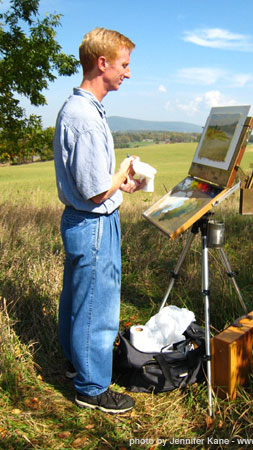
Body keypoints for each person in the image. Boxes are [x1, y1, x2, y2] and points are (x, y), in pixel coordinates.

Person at [53, 27, 144, 414]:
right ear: (102, 63)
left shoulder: (83, 110)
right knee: (98, 307)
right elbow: (94, 192)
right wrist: (122, 171)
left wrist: (121, 183)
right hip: (94, 224)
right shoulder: (85, 117)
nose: (128, 73)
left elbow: (96, 186)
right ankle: (92, 388)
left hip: (83, 222)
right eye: (124, 65)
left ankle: (78, 365)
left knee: (78, 300)